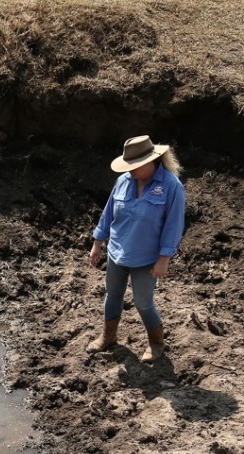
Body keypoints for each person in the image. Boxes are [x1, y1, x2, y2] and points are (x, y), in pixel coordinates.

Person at [86, 135, 186, 362]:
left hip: (147, 258)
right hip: (117, 252)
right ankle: (108, 336)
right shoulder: (123, 181)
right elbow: (108, 212)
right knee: (112, 295)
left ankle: (156, 343)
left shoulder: (171, 187)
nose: (130, 170)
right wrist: (97, 243)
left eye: (134, 166)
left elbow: (174, 225)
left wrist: (164, 258)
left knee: (143, 302)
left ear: (151, 162)